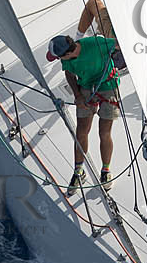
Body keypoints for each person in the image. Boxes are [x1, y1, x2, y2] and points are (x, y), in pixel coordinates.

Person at [48, 33, 121, 188]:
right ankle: (79, 170)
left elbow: (120, 43)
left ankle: (106, 170)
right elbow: (69, 74)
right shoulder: (68, 60)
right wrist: (78, 95)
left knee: (104, 132)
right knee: (81, 131)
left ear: (68, 53)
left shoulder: (96, 43)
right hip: (86, 87)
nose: (59, 61)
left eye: (59, 57)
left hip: (108, 86)